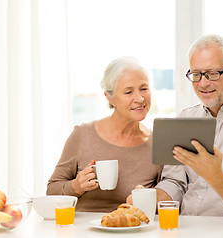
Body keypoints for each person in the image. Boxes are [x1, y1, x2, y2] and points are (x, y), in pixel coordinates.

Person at [128, 34, 223, 219]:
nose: (203, 83)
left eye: (212, 73)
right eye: (196, 74)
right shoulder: (185, 118)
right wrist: (148, 199)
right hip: (184, 230)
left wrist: (216, 177)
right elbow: (175, 183)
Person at [47, 56, 163, 212]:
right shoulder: (82, 135)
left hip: (134, 231)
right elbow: (51, 191)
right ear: (110, 98)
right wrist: (76, 186)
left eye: (144, 88)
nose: (140, 98)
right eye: (128, 92)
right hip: (84, 234)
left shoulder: (158, 144)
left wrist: (148, 198)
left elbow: (167, 200)